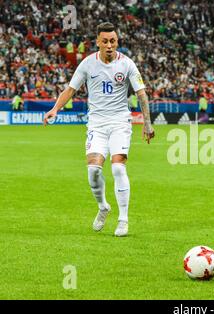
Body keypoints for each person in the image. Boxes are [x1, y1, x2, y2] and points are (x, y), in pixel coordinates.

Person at [43, 22, 155, 237]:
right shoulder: (87, 64)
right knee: (93, 171)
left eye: (113, 41)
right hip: (96, 124)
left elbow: (141, 93)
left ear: (117, 42)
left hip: (120, 123)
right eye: (105, 41)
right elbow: (71, 89)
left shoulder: (128, 64)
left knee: (118, 168)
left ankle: (123, 220)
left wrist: (148, 124)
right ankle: (103, 206)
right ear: (98, 42)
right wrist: (54, 109)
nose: (109, 45)